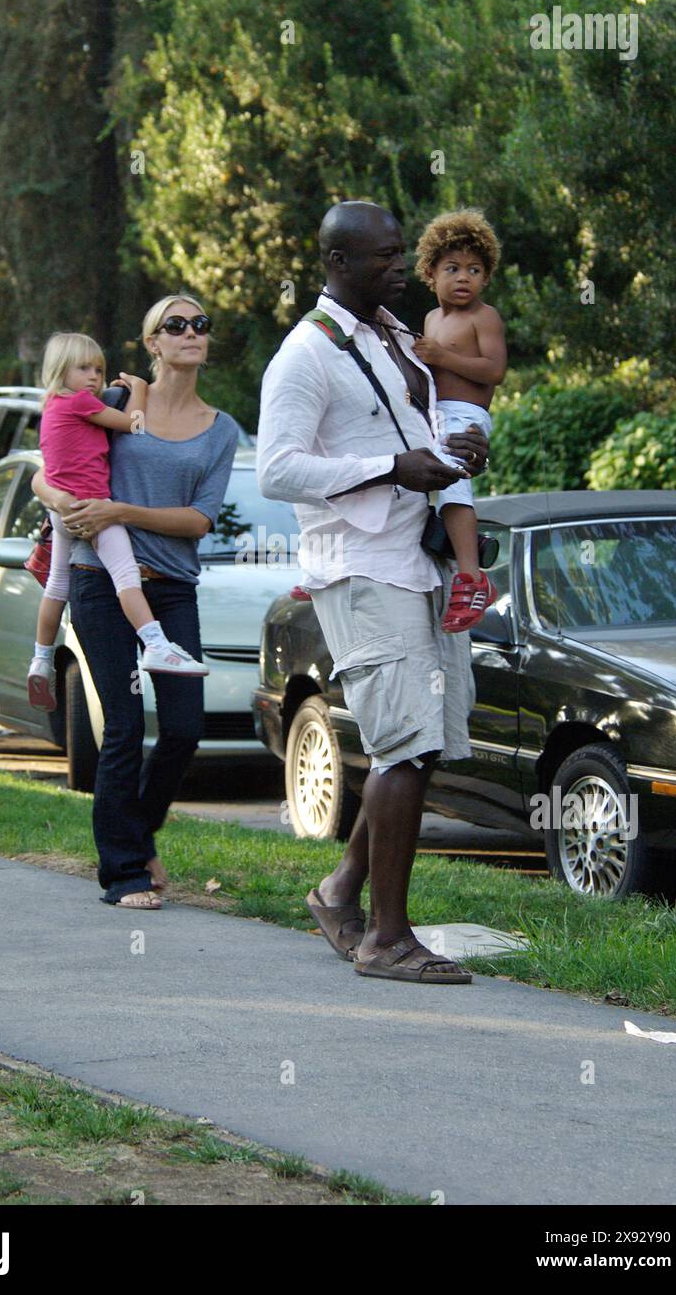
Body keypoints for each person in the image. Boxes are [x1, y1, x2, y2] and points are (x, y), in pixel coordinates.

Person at [257, 201, 489, 984]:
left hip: (415, 560)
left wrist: (451, 448)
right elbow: (276, 469)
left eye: (400, 253)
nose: (401, 267)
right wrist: (391, 468)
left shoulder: (394, 335)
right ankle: (386, 939)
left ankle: (337, 894)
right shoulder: (304, 355)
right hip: (359, 569)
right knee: (403, 746)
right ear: (336, 262)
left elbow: (414, 431)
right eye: (385, 256)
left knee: (421, 746)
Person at [31, 297, 238, 909]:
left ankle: (138, 833)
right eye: (175, 325)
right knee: (122, 726)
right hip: (101, 582)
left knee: (182, 728)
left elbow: (199, 521)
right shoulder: (118, 404)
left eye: (201, 323)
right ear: (151, 342)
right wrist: (52, 493)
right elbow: (54, 464)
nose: (190, 333)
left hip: (171, 587)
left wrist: (121, 511)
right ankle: (122, 872)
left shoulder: (221, 429)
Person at [28, 331, 208, 713]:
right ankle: (157, 645)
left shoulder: (52, 403)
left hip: (61, 511)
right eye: (83, 369)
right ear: (61, 370)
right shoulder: (79, 402)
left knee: (57, 585)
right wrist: (139, 387)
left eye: (99, 369)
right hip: (94, 509)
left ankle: (41, 659)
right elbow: (135, 425)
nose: (94, 377)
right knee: (126, 576)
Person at [412, 209, 507, 632]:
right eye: (453, 268)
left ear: (486, 277)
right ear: (430, 273)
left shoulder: (483, 317)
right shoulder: (432, 319)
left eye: (474, 269)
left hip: (467, 417)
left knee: (454, 488)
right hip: (434, 416)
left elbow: (494, 371)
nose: (464, 277)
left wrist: (442, 357)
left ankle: (472, 577)